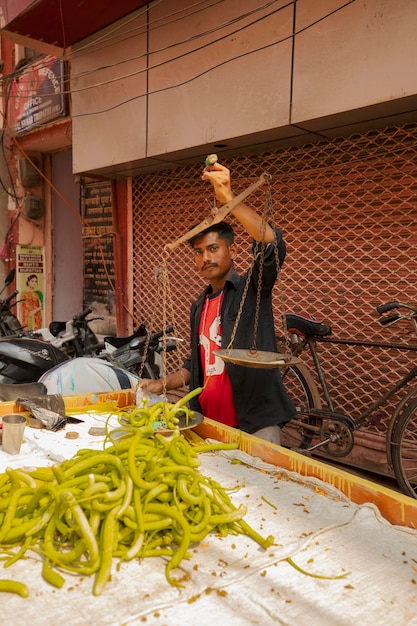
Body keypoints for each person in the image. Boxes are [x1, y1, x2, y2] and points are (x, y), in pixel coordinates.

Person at [139, 161, 296, 444]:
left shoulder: (251, 289)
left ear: (231, 249)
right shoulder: (199, 306)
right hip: (208, 424)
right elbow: (195, 365)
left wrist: (228, 199)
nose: (205, 258)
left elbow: (271, 244)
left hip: (253, 426)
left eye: (213, 248)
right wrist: (161, 384)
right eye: (198, 252)